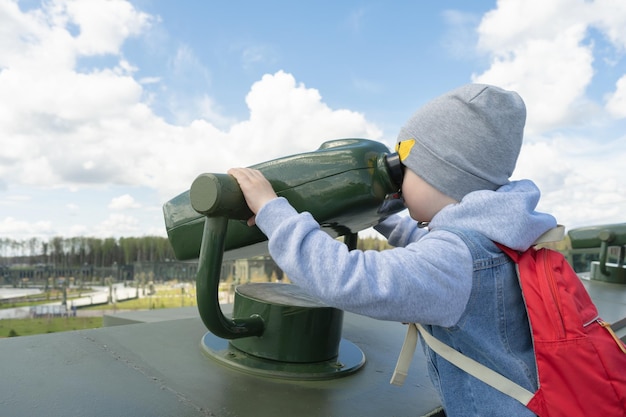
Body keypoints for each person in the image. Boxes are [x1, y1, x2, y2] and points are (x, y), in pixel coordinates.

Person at [228, 83, 556, 417]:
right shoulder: (499, 236)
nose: (397, 181)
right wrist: (377, 213)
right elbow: (428, 246)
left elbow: (348, 279)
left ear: (442, 177)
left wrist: (273, 211)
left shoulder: (454, 262)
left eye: (404, 169)